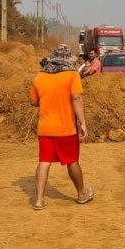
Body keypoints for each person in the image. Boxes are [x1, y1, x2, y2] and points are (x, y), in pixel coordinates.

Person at [29, 44, 93, 210]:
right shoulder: (72, 75)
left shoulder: (39, 77)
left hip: (45, 127)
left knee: (44, 161)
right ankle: (81, 194)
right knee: (72, 160)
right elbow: (76, 98)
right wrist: (83, 122)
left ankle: (39, 200)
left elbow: (34, 101)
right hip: (65, 128)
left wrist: (49, 102)